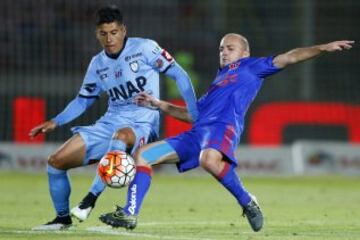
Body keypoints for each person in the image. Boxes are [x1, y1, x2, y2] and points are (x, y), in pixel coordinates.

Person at [98, 33, 354, 232]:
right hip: (197, 134)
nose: (224, 52)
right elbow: (191, 116)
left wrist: (323, 48)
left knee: (208, 160)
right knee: (143, 154)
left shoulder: (252, 67)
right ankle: (130, 214)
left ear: (245, 52)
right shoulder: (217, 82)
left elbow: (291, 56)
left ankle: (247, 201)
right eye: (221, 48)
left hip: (223, 128)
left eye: (230, 48)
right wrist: (158, 104)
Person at [29, 5, 198, 231]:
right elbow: (83, 100)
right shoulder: (97, 64)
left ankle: (90, 199)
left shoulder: (146, 48)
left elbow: (179, 73)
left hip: (142, 122)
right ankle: (62, 219)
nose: (109, 39)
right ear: (97, 34)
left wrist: (194, 111)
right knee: (55, 162)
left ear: (123, 30)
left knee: (121, 136)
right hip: (110, 121)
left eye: (114, 32)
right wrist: (56, 120)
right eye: (103, 34)